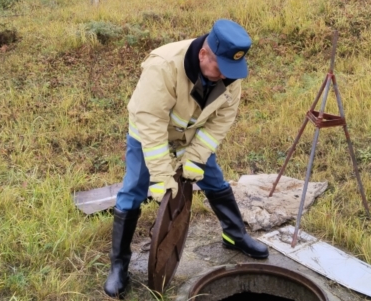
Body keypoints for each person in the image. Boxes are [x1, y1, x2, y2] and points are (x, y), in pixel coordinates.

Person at [104, 19, 269, 299]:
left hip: (190, 135)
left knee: (213, 179)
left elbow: (221, 121)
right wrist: (159, 174)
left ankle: (234, 235)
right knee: (134, 189)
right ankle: (119, 265)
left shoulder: (231, 74)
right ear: (204, 54)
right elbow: (151, 121)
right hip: (149, 133)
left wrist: (195, 158)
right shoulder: (164, 66)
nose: (226, 76)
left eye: (231, 70)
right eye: (221, 67)